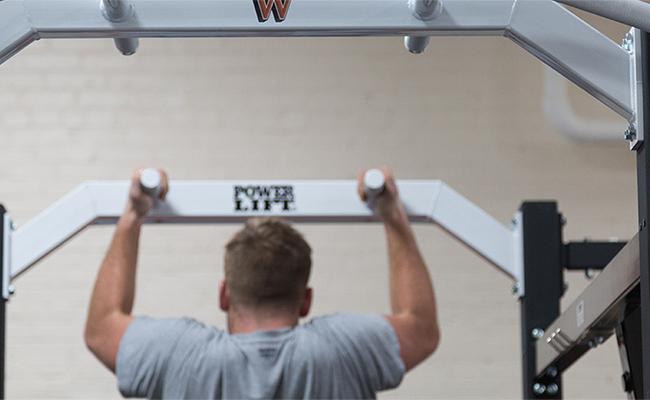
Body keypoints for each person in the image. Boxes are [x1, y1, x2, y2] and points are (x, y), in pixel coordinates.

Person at [84, 167, 440, 399]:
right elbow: (420, 326)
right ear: (306, 300)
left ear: (224, 294)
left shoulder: (182, 353)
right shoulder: (344, 349)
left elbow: (102, 328)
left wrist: (132, 217)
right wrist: (393, 218)